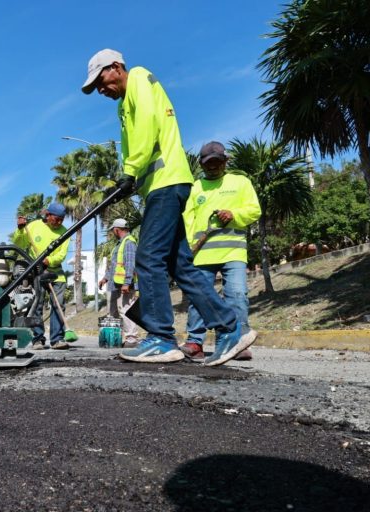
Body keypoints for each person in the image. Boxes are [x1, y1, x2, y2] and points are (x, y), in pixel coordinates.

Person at [81, 48, 256, 366]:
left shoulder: (139, 78)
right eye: (95, 87)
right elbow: (137, 142)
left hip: (167, 183)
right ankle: (230, 329)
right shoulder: (123, 103)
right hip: (160, 186)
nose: (100, 89)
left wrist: (130, 171)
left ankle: (161, 338)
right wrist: (131, 182)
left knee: (148, 258)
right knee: (182, 266)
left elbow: (148, 126)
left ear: (116, 67)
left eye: (100, 81)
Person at [182, 141, 262, 361]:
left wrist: (234, 214)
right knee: (199, 298)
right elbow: (187, 220)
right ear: (201, 164)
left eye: (217, 162)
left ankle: (236, 342)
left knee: (236, 295)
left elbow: (254, 210)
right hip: (201, 254)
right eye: (208, 163)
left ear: (226, 161)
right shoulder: (195, 188)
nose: (213, 167)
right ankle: (195, 342)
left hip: (233, 252)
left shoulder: (240, 182)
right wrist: (188, 248)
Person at [12, 202, 71, 350]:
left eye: (61, 220)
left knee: (58, 305)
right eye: (56, 219)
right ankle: (37, 339)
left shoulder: (65, 231)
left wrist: (49, 260)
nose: (59, 223)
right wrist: (20, 229)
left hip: (56, 273)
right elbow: (20, 243)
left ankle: (57, 339)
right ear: (48, 215)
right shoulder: (34, 226)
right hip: (36, 272)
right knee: (36, 305)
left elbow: (62, 254)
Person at [98, 218, 140, 348]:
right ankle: (115, 339)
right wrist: (105, 278)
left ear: (116, 230)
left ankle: (131, 339)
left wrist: (127, 282)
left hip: (124, 285)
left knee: (126, 311)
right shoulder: (119, 244)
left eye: (113, 231)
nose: (112, 233)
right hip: (115, 284)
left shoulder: (129, 243)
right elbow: (115, 265)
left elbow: (130, 264)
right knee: (113, 312)